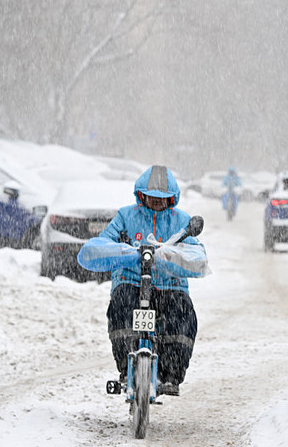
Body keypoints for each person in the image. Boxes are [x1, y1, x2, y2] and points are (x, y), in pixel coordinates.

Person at [77, 165, 209, 397]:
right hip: (131, 283)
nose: (157, 201)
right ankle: (125, 367)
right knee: (120, 306)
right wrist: (126, 252)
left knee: (183, 313)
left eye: (163, 198)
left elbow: (198, 257)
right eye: (151, 196)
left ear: (172, 198)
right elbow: (98, 246)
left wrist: (169, 256)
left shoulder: (182, 222)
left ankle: (171, 374)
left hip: (170, 286)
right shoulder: (125, 217)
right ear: (141, 195)